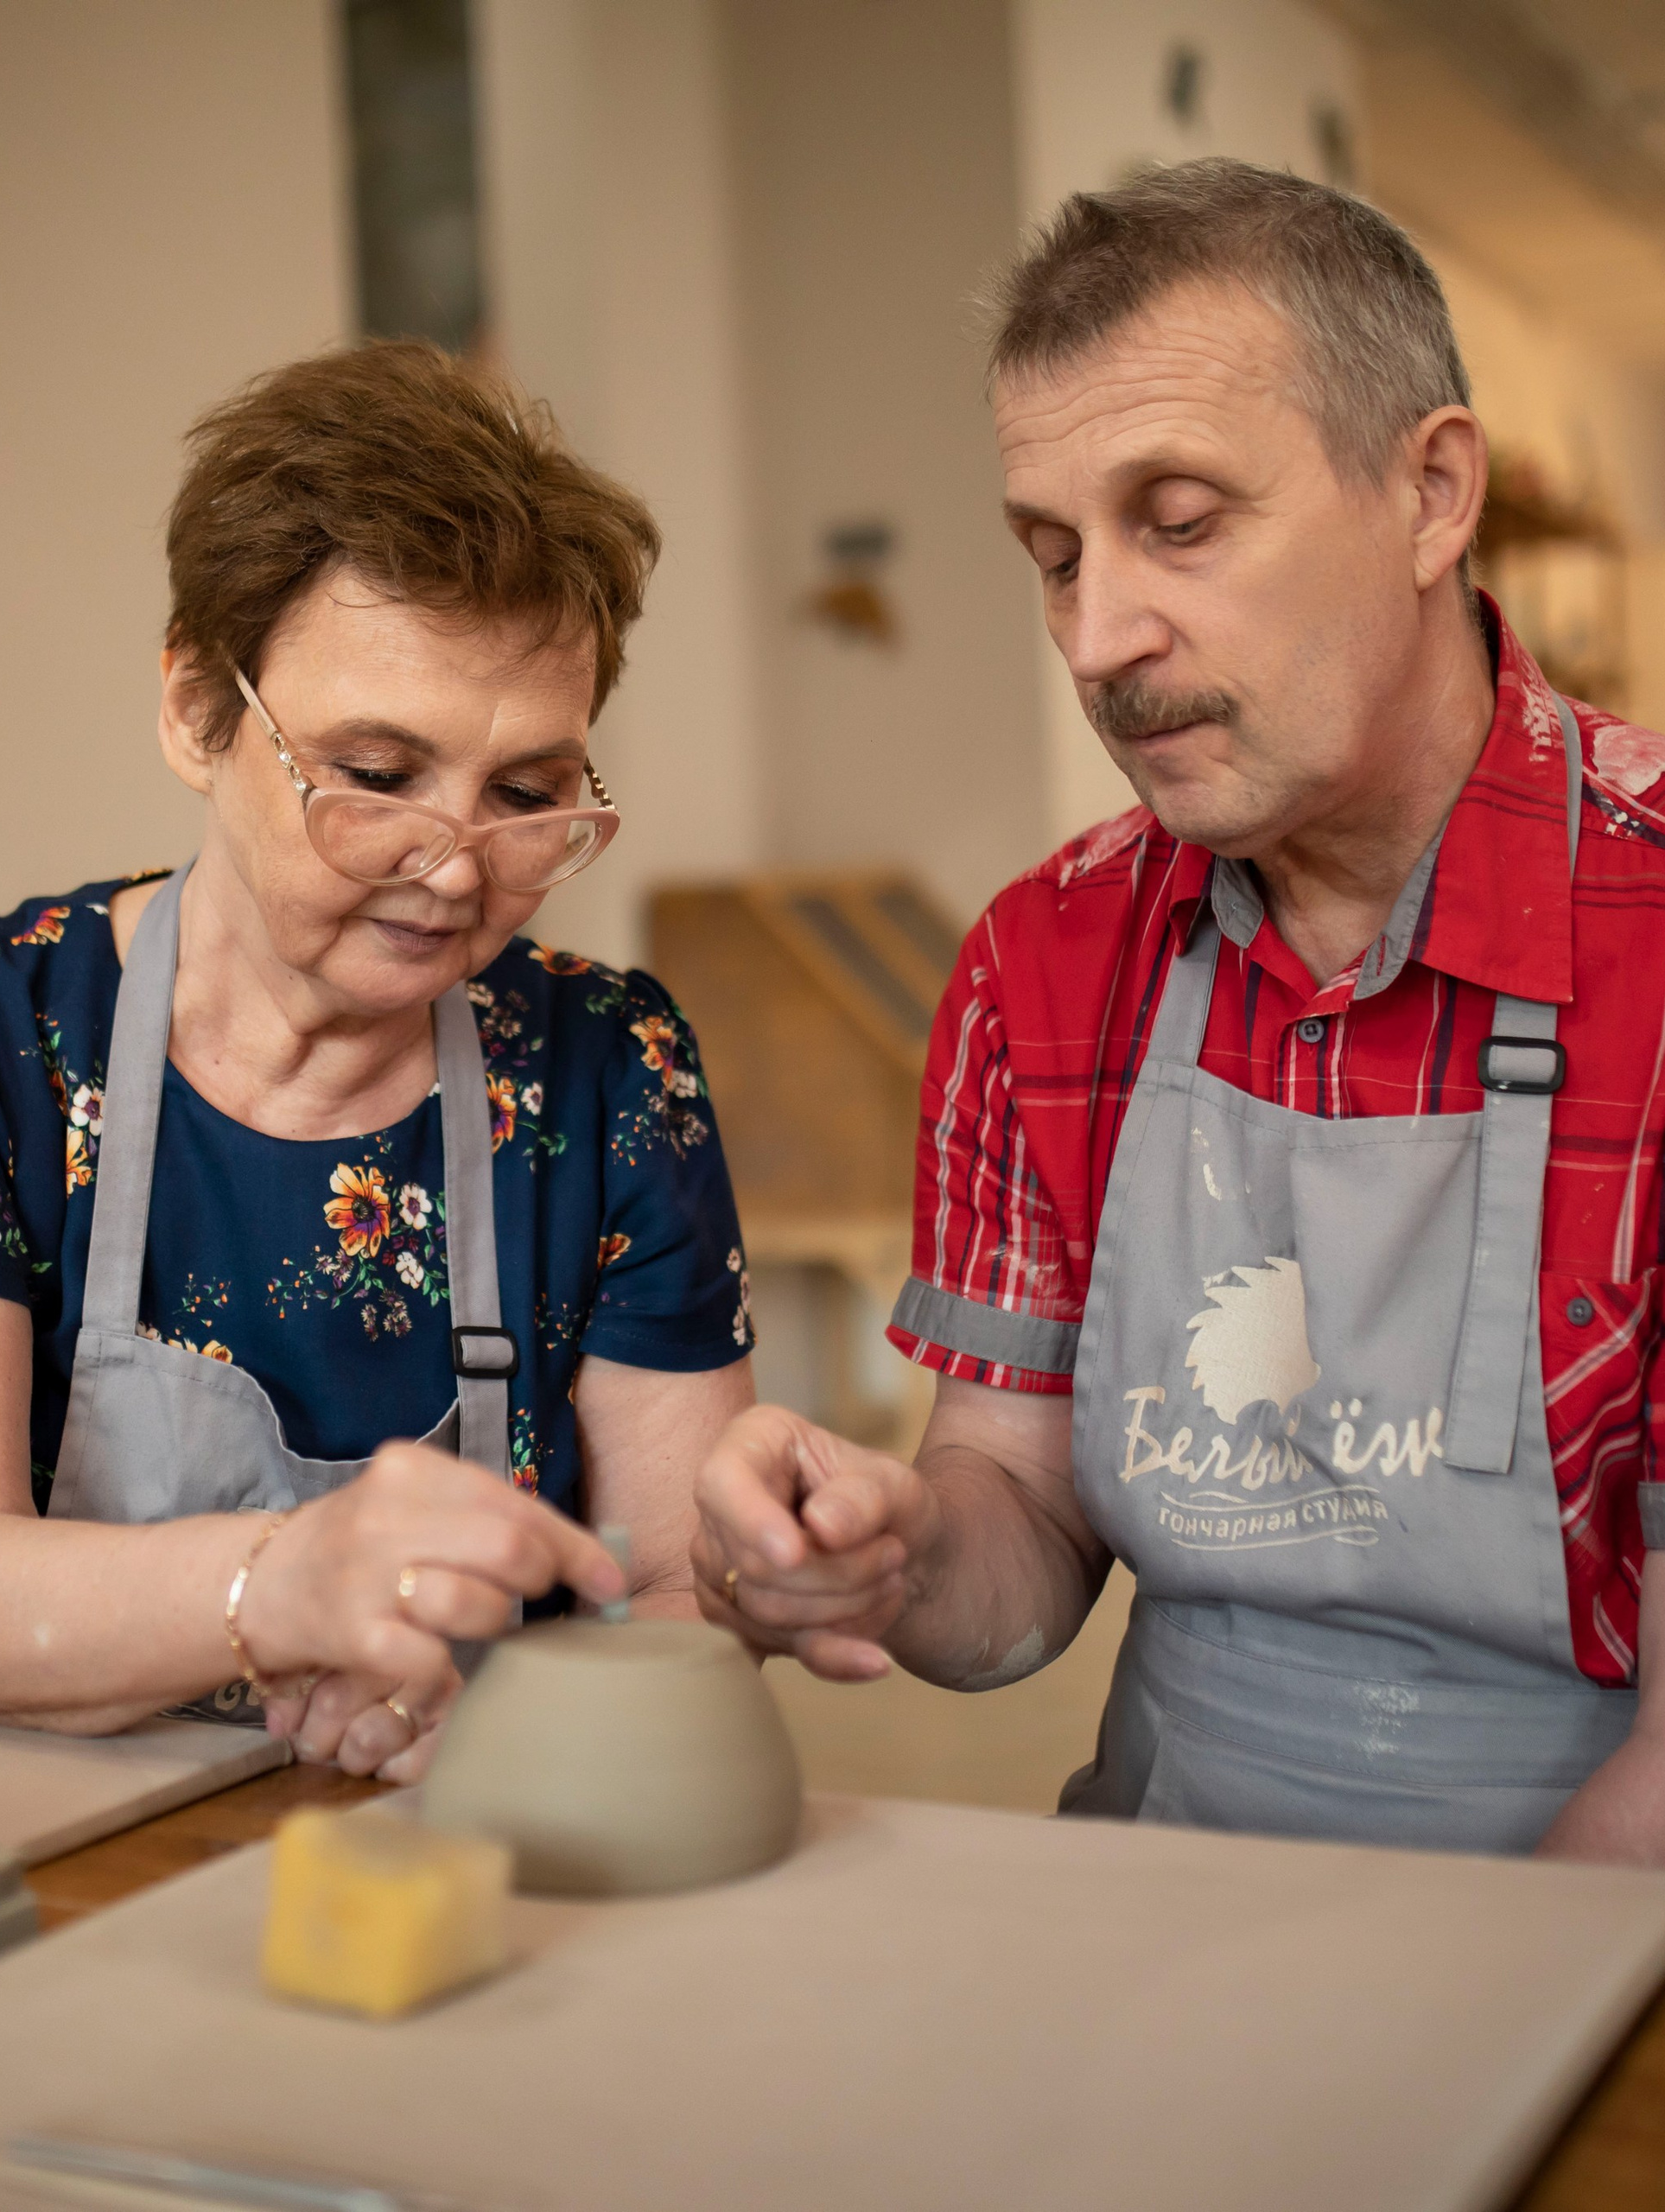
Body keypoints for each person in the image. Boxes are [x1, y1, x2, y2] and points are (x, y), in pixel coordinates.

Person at [693, 159, 1665, 1860]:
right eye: (1052, 554)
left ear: (1431, 492)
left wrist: (1478, 2008)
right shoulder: (1041, 962)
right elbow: (1017, 1527)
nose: (1095, 637)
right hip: (1167, 1859)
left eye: (1183, 521)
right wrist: (893, 1547)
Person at [0, 342, 754, 1780]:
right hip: (30, 1838)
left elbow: (672, 1588)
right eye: (378, 776)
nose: (454, 866)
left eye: (525, 792)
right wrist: (281, 1589)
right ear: (197, 709)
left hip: (457, 1835)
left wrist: (542, 1709)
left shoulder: (609, 1071)